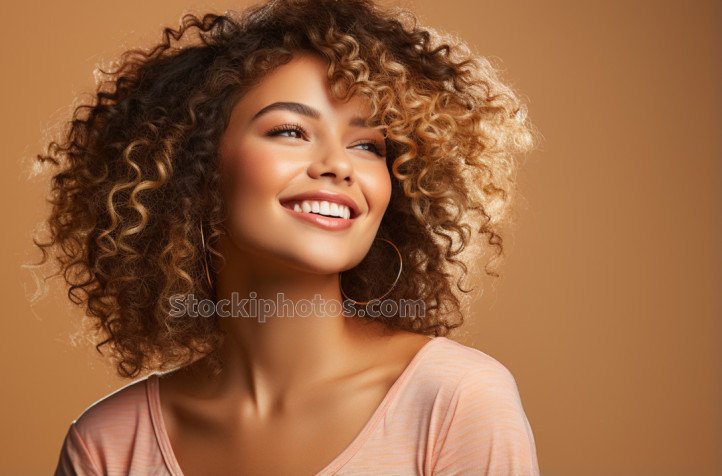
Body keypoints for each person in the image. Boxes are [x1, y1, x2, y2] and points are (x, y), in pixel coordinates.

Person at [29, 0, 540, 474]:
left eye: (367, 145)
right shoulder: (107, 446)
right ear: (196, 163)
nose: (339, 165)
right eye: (290, 131)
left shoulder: (456, 401)